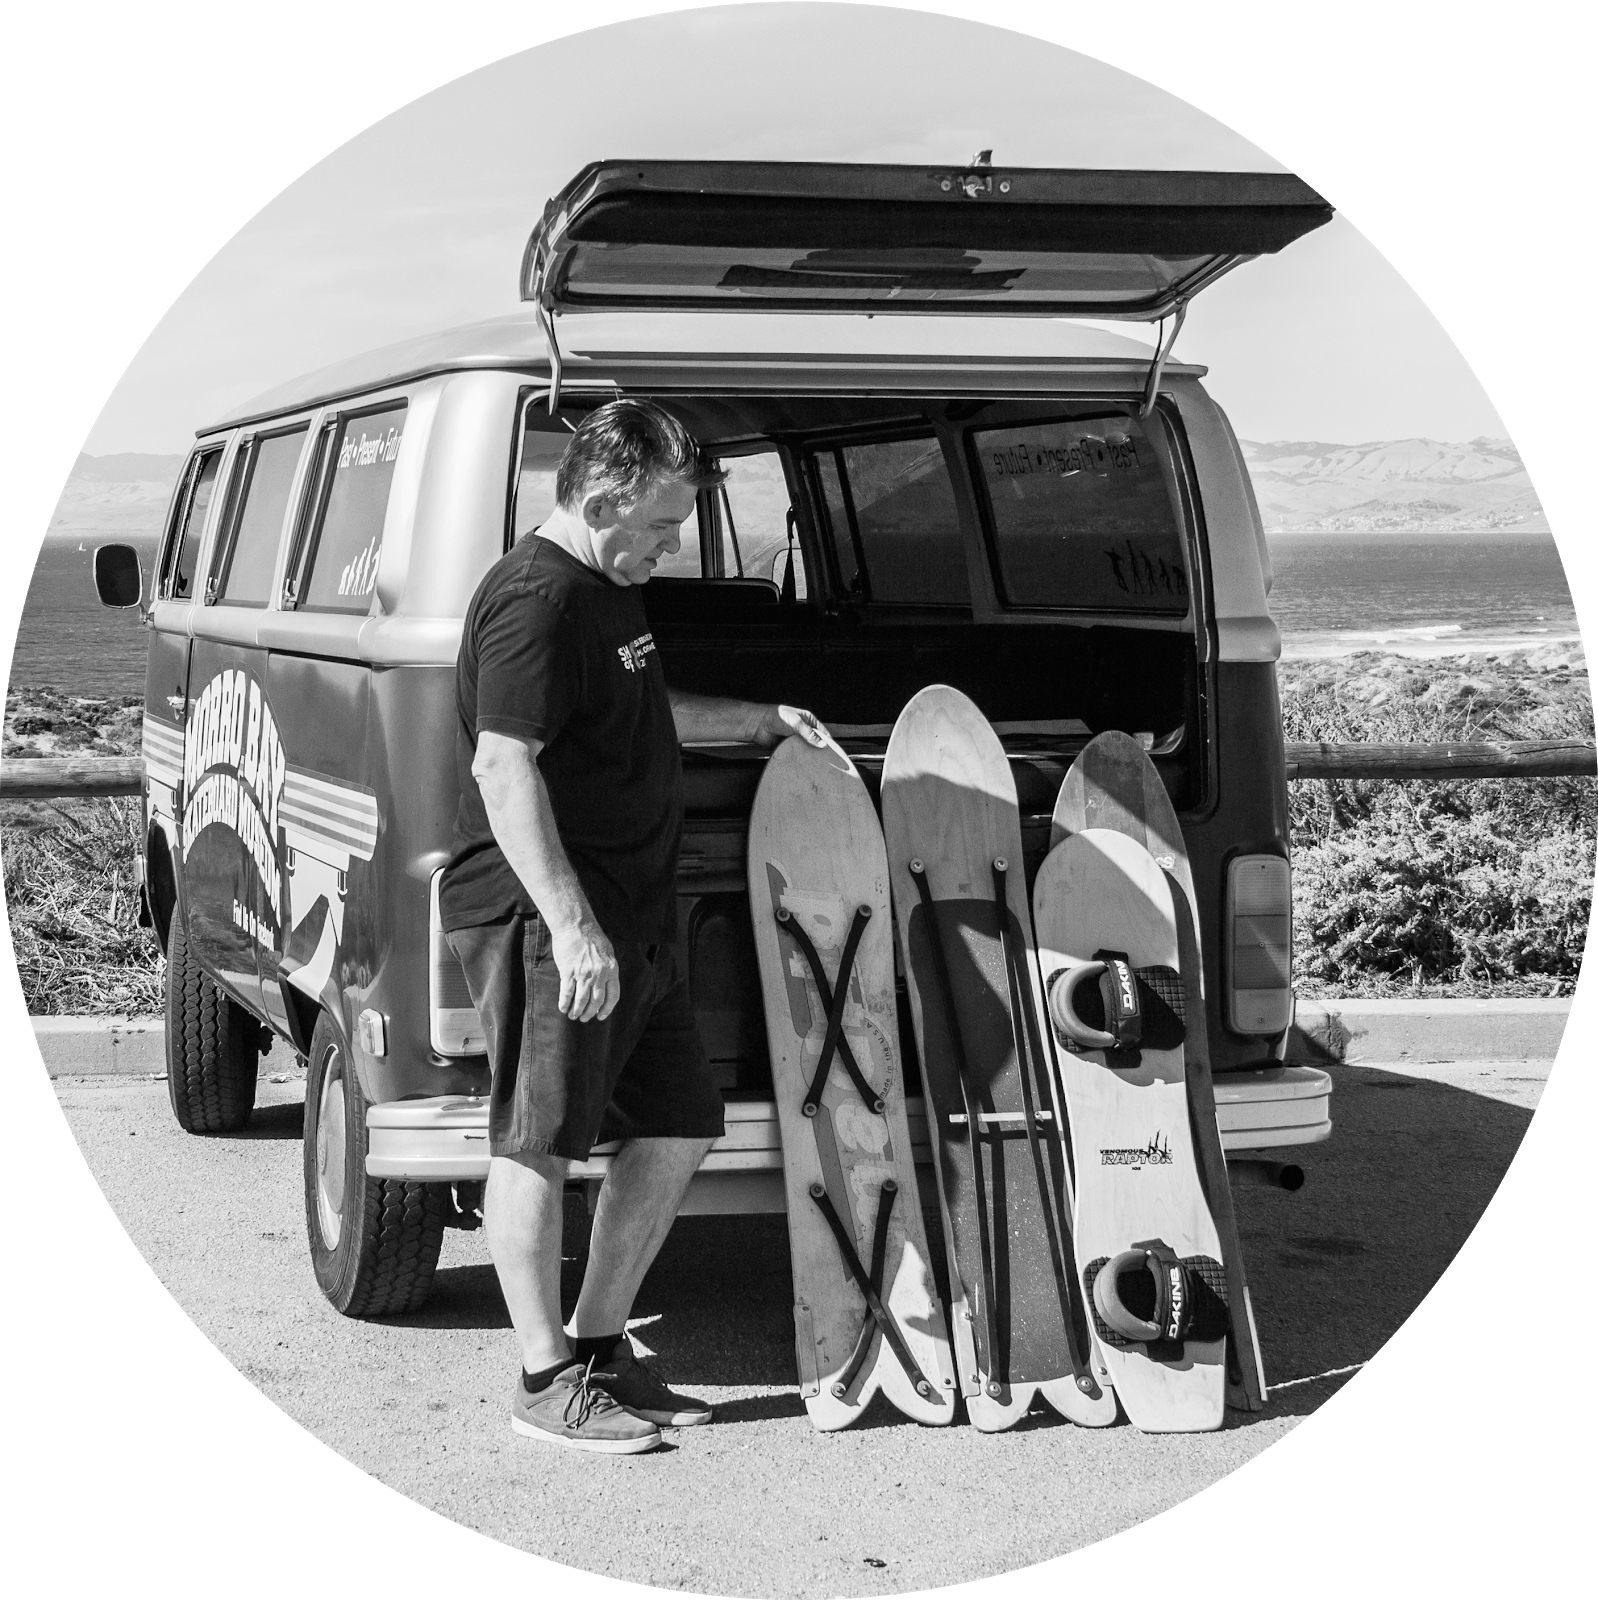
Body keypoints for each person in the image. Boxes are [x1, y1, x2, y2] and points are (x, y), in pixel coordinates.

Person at [440, 398, 829, 1454]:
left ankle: (601, 1351)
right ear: (603, 497)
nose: (671, 547)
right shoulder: (536, 602)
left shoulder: (611, 594)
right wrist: (569, 926)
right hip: (545, 920)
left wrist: (757, 721)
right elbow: (500, 763)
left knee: (680, 1122)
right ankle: (541, 1381)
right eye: (661, 525)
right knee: (538, 1140)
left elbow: (638, 707)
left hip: (633, 917)